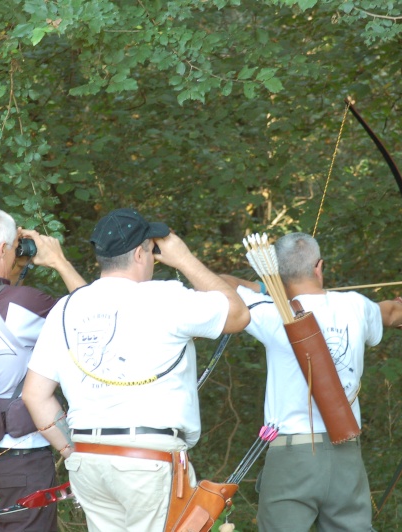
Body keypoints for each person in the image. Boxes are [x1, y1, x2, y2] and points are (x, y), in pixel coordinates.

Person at [22, 207, 250, 532]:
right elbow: (238, 314)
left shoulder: (67, 307)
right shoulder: (165, 296)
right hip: (148, 463)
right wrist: (184, 259)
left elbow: (34, 396)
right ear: (142, 253)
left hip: (88, 461)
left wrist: (71, 449)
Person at [220, 232, 402, 532]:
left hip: (292, 457)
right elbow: (391, 312)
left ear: (278, 274)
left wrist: (265, 287)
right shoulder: (355, 305)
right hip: (345, 454)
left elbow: (221, 283)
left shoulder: (271, 312)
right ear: (319, 267)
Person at [0, 207, 86, 532]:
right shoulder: (26, 303)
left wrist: (12, 266)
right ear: (2, 250)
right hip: (20, 467)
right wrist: (58, 261)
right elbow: (93, 316)